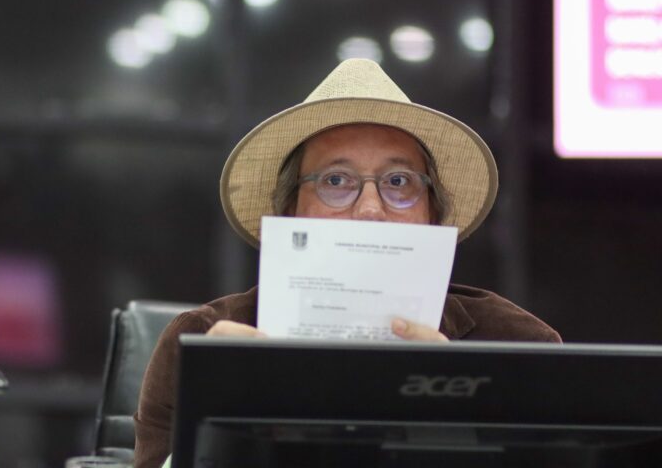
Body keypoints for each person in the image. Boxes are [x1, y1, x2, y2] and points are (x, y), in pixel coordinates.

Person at [133, 58, 561, 468]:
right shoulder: (202, 344)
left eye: (398, 181)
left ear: (433, 214)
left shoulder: (517, 346)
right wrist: (216, 421)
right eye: (336, 180)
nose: (370, 210)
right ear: (289, 212)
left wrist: (456, 414)